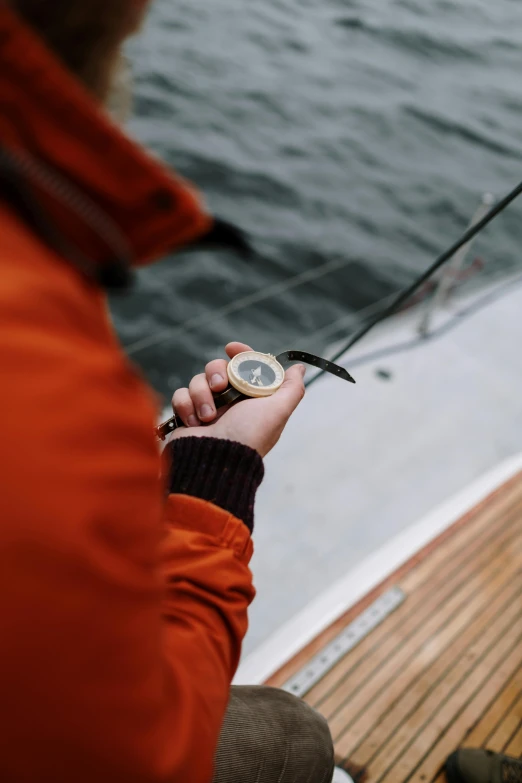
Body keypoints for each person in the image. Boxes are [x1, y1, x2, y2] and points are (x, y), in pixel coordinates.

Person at [0, 1, 339, 782]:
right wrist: (214, 481)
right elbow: (147, 752)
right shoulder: (46, 363)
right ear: (115, 28)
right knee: (293, 732)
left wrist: (153, 473)